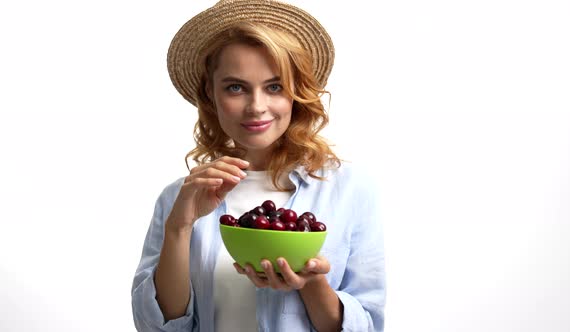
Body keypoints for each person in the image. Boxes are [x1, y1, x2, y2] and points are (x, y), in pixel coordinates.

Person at [131, 1, 386, 331]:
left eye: (275, 87)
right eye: (235, 87)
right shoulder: (179, 198)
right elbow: (155, 327)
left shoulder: (350, 190)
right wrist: (179, 227)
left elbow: (367, 325)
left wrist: (310, 282)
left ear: (297, 92)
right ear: (210, 93)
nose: (256, 107)